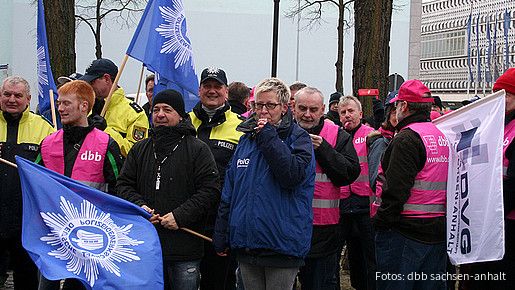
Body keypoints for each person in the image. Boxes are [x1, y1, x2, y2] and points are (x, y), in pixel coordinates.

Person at [213, 77, 315, 289]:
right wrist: (222, 232)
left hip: (281, 245)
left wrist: (268, 137)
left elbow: (292, 176)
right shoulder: (245, 140)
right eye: (258, 105)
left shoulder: (299, 138)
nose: (263, 111)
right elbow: (230, 191)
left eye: (270, 105)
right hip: (246, 244)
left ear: (285, 107)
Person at [116, 89, 220, 290]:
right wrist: (140, 207)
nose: (160, 114)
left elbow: (210, 190)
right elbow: (124, 184)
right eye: (156, 109)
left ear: (180, 115)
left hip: (184, 249)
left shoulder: (198, 149)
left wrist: (179, 216)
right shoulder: (140, 149)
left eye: (167, 109)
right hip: (146, 246)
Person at [36, 80, 124, 290]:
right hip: (54, 231)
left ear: (84, 106)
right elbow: (35, 183)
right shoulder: (48, 143)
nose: (60, 109)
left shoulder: (105, 143)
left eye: (66, 103)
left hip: (89, 235)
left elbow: (119, 187)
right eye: (59, 103)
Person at [374, 80, 449, 290]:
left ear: (404, 106)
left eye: (397, 105)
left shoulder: (407, 139)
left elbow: (396, 190)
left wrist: (380, 222)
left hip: (404, 233)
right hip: (436, 231)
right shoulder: (441, 135)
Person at [293, 87, 360, 290]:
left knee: (319, 283)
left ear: (322, 109)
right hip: (287, 224)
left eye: (313, 109)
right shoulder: (283, 132)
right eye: (302, 108)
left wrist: (323, 149)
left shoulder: (336, 135)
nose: (307, 114)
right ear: (293, 108)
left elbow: (348, 174)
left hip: (323, 229)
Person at [189, 67, 244, 290]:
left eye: (217, 86)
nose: (212, 91)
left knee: (220, 282)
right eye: (207, 86)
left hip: (222, 220)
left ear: (226, 91)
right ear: (199, 90)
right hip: (188, 218)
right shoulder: (185, 122)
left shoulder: (241, 126)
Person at [0, 76, 55, 290]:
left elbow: (54, 169)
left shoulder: (44, 128)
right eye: (7, 94)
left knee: (27, 278)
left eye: (17, 95)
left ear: (28, 99)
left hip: (27, 218)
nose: (12, 99)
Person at [338, 96, 376, 290]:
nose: (347, 116)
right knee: (352, 254)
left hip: (365, 204)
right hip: (342, 205)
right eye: (343, 112)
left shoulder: (370, 135)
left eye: (351, 111)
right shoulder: (337, 136)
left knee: (369, 253)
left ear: (360, 114)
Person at [80, 58, 149, 156]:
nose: (89, 86)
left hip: (117, 170)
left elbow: (136, 152)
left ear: (106, 79)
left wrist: (106, 131)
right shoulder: (87, 108)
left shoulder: (134, 113)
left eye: (92, 82)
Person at [366, 91, 397, 217]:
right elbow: (374, 180)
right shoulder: (380, 142)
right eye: (394, 112)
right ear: (388, 115)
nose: (398, 116)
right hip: (383, 210)